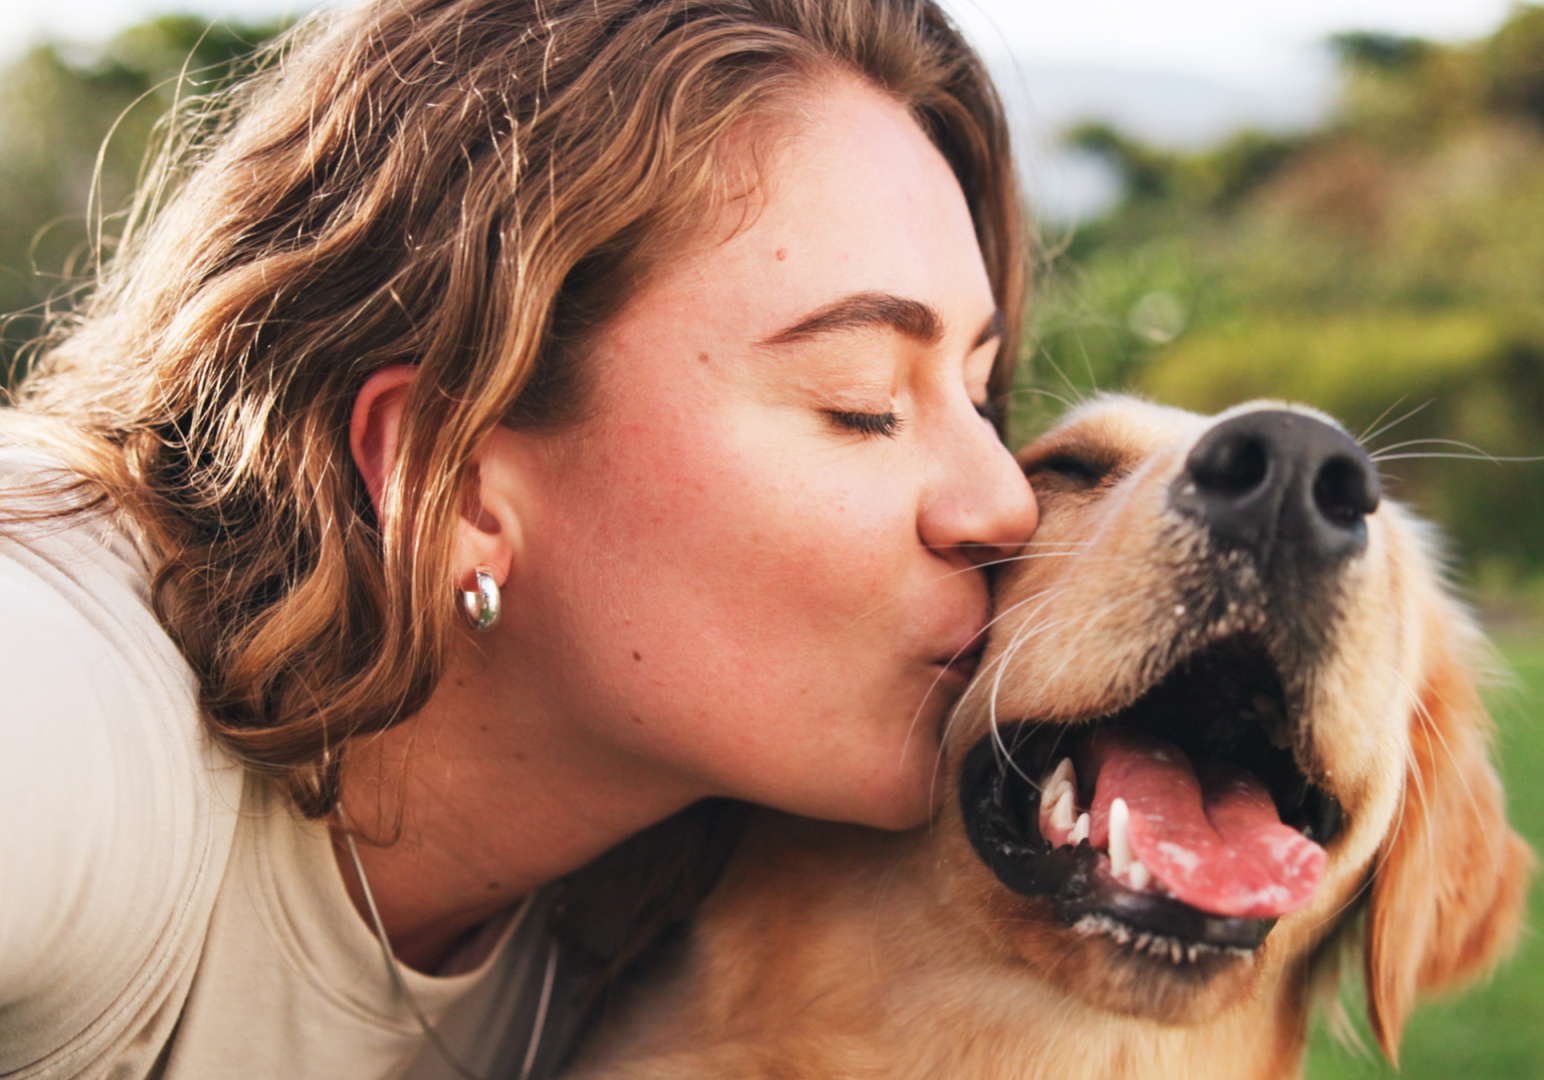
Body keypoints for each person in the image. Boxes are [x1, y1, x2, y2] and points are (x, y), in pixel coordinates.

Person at [0, 0, 1037, 1076]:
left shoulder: (691, 895)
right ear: (452, 481)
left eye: (980, 399)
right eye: (861, 402)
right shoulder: (80, 705)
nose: (1006, 505)